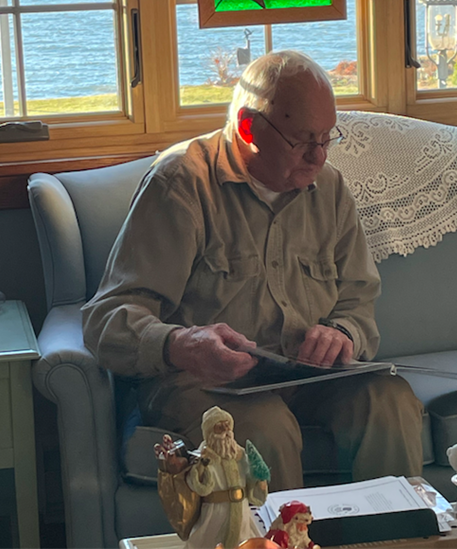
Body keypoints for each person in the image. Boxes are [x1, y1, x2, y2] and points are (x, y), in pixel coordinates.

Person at [82, 49, 423, 490]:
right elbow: (106, 320)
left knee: (390, 400)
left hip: (307, 377)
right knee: (263, 430)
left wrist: (342, 333)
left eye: (327, 139)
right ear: (247, 127)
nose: (318, 157)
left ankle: (394, 529)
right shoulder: (181, 184)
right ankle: (286, 530)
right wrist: (182, 344)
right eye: (303, 141)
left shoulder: (331, 189)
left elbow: (358, 301)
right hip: (203, 382)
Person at [184, 406, 268, 549]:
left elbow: (249, 477)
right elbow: (196, 483)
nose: (225, 430)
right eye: (219, 427)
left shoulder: (239, 453)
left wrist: (258, 483)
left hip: (241, 509)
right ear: (210, 432)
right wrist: (204, 465)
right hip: (216, 511)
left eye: (227, 425)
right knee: (210, 541)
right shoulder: (202, 455)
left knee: (243, 539)